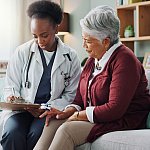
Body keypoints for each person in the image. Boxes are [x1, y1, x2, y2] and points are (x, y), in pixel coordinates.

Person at [33, 5, 150, 150]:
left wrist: (77, 115)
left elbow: (115, 109)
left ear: (105, 42)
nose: (83, 45)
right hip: (97, 118)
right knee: (53, 123)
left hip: (122, 120)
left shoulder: (125, 60)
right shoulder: (92, 60)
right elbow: (79, 98)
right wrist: (67, 112)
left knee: (67, 130)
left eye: (88, 41)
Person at [0, 1, 81, 150]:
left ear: (56, 28)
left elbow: (72, 94)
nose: (39, 41)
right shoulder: (22, 52)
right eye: (35, 36)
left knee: (36, 135)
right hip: (21, 110)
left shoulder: (71, 57)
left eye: (44, 35)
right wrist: (13, 97)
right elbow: (11, 86)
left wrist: (48, 107)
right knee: (12, 133)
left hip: (48, 111)